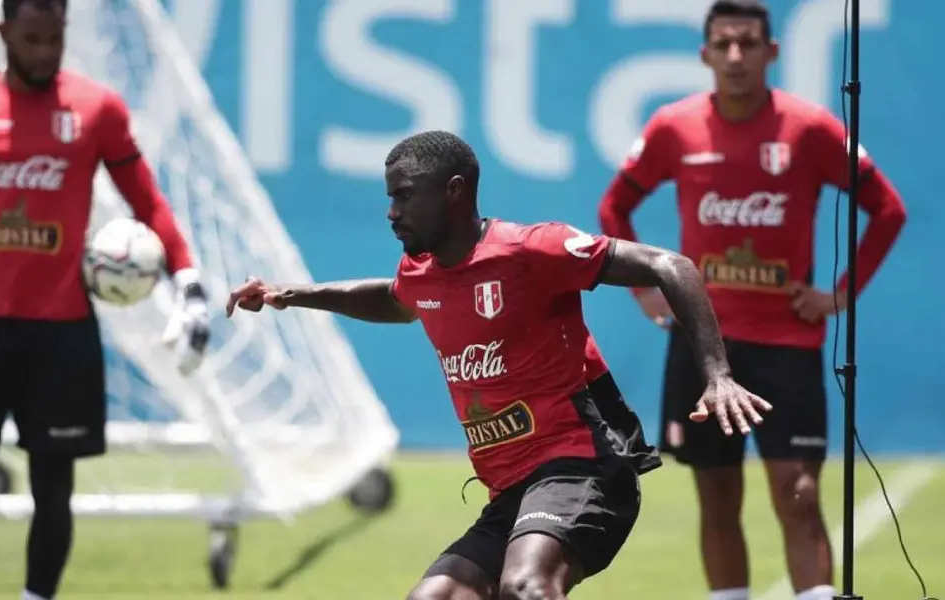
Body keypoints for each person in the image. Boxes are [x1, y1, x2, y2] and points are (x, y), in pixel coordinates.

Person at [227, 130, 772, 600]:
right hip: (512, 489)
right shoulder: (422, 273)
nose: (391, 212)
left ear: (455, 192)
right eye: (390, 198)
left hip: (583, 465)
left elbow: (668, 265)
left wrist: (717, 375)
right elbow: (393, 300)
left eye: (404, 197)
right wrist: (292, 295)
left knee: (527, 587)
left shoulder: (533, 250)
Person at [0, 1, 212, 599]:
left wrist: (188, 286)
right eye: (32, 39)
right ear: (2, 31)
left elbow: (149, 204)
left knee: (53, 488)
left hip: (60, 335)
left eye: (55, 38)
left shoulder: (97, 110)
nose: (44, 52)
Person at [596, 2, 908, 599]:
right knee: (717, 497)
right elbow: (614, 207)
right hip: (702, 343)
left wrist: (841, 295)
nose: (735, 56)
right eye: (724, 44)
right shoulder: (673, 127)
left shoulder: (812, 129)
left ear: (773, 53)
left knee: (801, 492)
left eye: (747, 43)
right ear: (705, 54)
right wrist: (642, 286)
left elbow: (888, 209)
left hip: (788, 344)